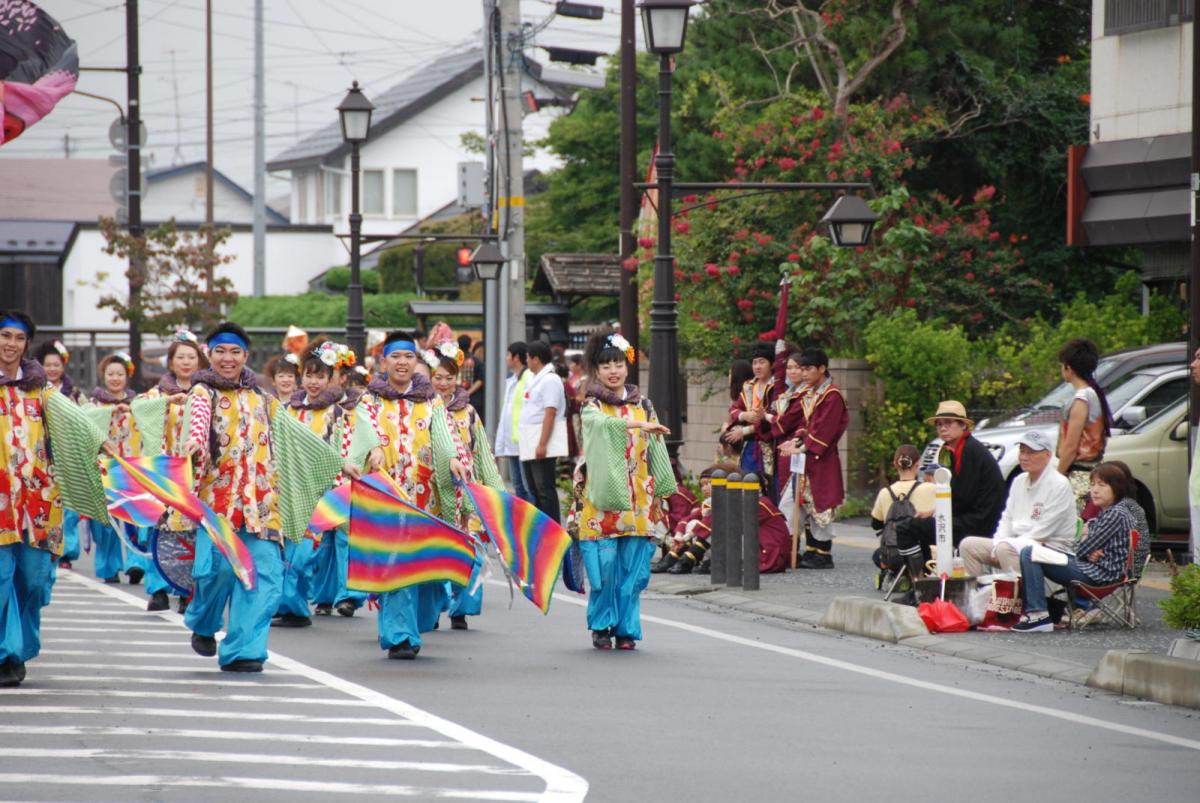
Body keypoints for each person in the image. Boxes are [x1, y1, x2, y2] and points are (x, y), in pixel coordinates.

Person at [355, 330, 468, 660]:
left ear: (417, 361)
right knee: (395, 566)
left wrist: (452, 459)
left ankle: (409, 625)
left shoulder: (430, 401)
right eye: (395, 356)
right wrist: (372, 449)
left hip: (424, 498)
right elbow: (362, 431)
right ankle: (399, 635)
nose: (402, 363)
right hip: (387, 497)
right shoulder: (370, 401)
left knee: (423, 568)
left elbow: (444, 435)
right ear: (383, 361)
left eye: (408, 357)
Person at [181, 322, 286, 672]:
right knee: (217, 574)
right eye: (221, 351)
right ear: (209, 354)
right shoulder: (202, 393)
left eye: (235, 352)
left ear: (246, 355)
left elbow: (291, 439)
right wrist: (195, 443)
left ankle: (244, 651)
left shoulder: (264, 399)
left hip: (263, 507)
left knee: (265, 577)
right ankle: (203, 620)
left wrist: (342, 462)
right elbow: (196, 423)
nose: (228, 358)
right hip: (218, 506)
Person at [575, 328, 676, 650]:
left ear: (627, 366)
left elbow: (658, 446)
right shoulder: (592, 406)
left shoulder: (643, 404)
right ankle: (601, 625)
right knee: (603, 567)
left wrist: (662, 488)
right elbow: (601, 429)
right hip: (603, 497)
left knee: (634, 570)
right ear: (597, 370)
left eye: (618, 364)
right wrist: (636, 425)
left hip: (640, 497)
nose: (613, 371)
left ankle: (626, 628)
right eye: (606, 366)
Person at [0, 310, 66, 687]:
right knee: (0, 577)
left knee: (35, 580)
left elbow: (73, 428)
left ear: (26, 345)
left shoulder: (41, 389)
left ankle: (19, 645)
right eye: (5, 335)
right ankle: (6, 654)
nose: (10, 344)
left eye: (18, 338)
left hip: (40, 503)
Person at [424, 338, 502, 631]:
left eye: (448, 378)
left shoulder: (468, 412)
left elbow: (482, 451)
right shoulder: (423, 411)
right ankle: (431, 607)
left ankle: (462, 607)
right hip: (432, 489)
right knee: (434, 551)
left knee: (470, 548)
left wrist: (495, 491)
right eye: (437, 378)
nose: (443, 384)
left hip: (467, 491)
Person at [1013, 462, 1135, 632]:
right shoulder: (1113, 512)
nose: (1095, 490)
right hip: (1096, 569)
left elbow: (1080, 549)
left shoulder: (1115, 514)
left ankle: (1038, 614)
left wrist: (1087, 548)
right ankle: (1039, 613)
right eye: (1092, 484)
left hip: (1099, 575)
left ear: (1117, 488)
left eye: (1102, 485)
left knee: (1029, 553)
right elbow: (1085, 547)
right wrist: (1089, 549)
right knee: (1033, 552)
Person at [894, 400, 1006, 580]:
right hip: (973, 518)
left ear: (963, 425)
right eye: (939, 424)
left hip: (979, 523)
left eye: (948, 423)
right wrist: (934, 511)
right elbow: (959, 496)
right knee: (914, 525)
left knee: (907, 528)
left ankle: (918, 584)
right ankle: (925, 581)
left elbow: (963, 497)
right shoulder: (959, 449)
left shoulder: (970, 451)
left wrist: (937, 514)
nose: (942, 428)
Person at [139, 330, 208, 613]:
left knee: (189, 530)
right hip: (163, 469)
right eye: (180, 357)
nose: (186, 362)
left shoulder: (205, 392)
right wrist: (167, 402)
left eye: (192, 357)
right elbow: (139, 408)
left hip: (195, 472)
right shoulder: (157, 393)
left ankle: (185, 589)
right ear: (170, 361)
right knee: (158, 527)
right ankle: (157, 589)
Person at [277, 344, 347, 627]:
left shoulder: (337, 413)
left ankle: (297, 605)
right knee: (287, 550)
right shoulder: (286, 410)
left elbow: (341, 450)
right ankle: (291, 607)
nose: (313, 382)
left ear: (330, 379)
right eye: (309, 375)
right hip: (290, 489)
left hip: (321, 491)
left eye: (320, 376)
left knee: (307, 554)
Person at [958, 430, 1076, 580]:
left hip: (1052, 548)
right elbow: (1007, 518)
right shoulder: (1019, 481)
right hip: (1015, 544)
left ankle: (1018, 599)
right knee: (968, 545)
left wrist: (1005, 544)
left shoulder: (1059, 484)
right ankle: (978, 595)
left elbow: (1044, 531)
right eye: (1022, 451)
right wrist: (998, 543)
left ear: (1048, 455)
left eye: (1031, 452)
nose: (1024, 457)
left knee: (1005, 549)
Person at [779, 348, 849, 569]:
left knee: (821, 506)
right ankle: (795, 549)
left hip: (822, 460)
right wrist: (796, 441)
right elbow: (806, 426)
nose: (804, 373)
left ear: (822, 369)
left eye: (808, 368)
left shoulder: (832, 395)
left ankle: (821, 553)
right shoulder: (812, 394)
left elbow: (825, 430)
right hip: (806, 461)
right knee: (791, 504)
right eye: (802, 368)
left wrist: (804, 447)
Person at [90, 351, 151, 586]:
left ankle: (136, 563)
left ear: (127, 376)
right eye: (110, 374)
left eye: (119, 374)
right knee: (106, 523)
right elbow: (86, 424)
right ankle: (109, 567)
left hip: (131, 467)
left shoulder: (137, 403)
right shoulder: (95, 404)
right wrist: (108, 412)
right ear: (103, 376)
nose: (115, 378)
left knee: (134, 517)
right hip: (104, 468)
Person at [34, 340, 83, 570]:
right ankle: (50, 546)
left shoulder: (73, 393)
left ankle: (66, 551)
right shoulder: (34, 390)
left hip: (68, 454)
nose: (52, 369)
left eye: (56, 364)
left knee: (70, 507)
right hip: (44, 454)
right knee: (48, 502)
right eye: (48, 365)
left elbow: (85, 420)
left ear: (63, 366)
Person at [1056, 338, 1113, 516]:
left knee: (1072, 528)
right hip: (1092, 470)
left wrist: (1057, 476)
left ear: (1068, 367)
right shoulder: (1092, 393)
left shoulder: (1081, 399)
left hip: (1079, 475)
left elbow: (1071, 446)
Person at [870, 445, 936, 587]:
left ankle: (898, 574)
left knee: (877, 555)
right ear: (918, 465)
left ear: (895, 464)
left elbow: (876, 524)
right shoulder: (931, 488)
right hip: (926, 555)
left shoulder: (885, 492)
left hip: (894, 555)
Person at [519, 340, 567, 523]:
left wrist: (542, 444)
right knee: (535, 490)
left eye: (527, 358)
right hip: (531, 439)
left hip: (541, 441)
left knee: (544, 489)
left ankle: (552, 529)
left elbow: (550, 412)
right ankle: (542, 528)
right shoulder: (536, 378)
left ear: (535, 359)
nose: (527, 361)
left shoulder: (550, 379)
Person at [721, 343, 776, 489]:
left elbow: (775, 419)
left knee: (769, 488)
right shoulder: (749, 386)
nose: (757, 366)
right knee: (748, 484)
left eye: (762, 362)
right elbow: (734, 409)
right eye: (755, 362)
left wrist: (744, 431)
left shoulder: (777, 387)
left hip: (770, 444)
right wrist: (744, 415)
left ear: (772, 364)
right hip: (750, 445)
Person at [495, 342, 533, 503]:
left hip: (524, 441)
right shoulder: (512, 380)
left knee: (527, 486)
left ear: (516, 357)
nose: (506, 358)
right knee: (518, 485)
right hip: (512, 440)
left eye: (508, 355)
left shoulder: (529, 379)